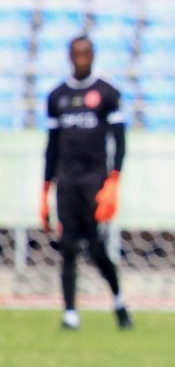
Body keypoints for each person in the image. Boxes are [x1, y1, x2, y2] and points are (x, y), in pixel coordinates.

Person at [41, 35, 132, 331]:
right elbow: (52, 146)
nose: (82, 59)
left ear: (93, 55)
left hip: (95, 180)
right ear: (70, 56)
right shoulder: (57, 96)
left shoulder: (106, 92)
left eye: (86, 54)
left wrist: (114, 180)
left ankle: (118, 301)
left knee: (96, 248)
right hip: (67, 182)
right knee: (67, 245)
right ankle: (70, 313)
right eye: (77, 54)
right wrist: (45, 188)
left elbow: (119, 140)